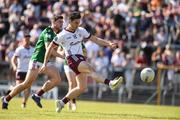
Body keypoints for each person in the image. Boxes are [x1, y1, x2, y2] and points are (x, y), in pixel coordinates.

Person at [40, 11, 123, 112]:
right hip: (72, 59)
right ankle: (110, 83)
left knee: (81, 87)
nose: (77, 25)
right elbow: (49, 48)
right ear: (70, 21)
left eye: (79, 22)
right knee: (90, 69)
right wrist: (45, 63)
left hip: (80, 58)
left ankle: (61, 102)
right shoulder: (62, 35)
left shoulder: (81, 30)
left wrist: (109, 44)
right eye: (75, 22)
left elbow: (95, 39)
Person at [2, 14, 64, 109]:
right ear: (54, 22)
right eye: (59, 22)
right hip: (37, 60)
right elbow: (49, 49)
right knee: (26, 84)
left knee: (57, 79)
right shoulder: (48, 32)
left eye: (62, 22)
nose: (61, 24)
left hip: (44, 62)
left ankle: (37, 95)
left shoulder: (55, 34)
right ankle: (6, 99)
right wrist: (63, 56)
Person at [11, 34, 34, 108]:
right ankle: (9, 94)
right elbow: (13, 59)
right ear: (23, 40)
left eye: (28, 39)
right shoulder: (19, 49)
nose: (27, 40)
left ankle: (24, 103)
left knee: (28, 88)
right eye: (26, 39)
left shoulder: (33, 49)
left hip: (29, 71)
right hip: (20, 70)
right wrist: (14, 66)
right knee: (18, 87)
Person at [64, 42, 86, 111]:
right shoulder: (65, 38)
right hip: (67, 63)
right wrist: (62, 53)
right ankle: (71, 102)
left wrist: (83, 58)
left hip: (77, 64)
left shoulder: (80, 41)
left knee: (76, 85)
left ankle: (70, 101)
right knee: (71, 83)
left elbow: (85, 51)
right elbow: (59, 50)